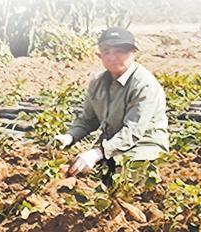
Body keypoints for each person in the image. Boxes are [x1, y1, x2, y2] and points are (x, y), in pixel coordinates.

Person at [54, 27, 169, 178]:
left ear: (133, 53)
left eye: (119, 51)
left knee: (117, 180)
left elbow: (133, 132)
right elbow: (89, 119)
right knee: (74, 172)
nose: (112, 57)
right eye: (106, 52)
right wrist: (69, 136)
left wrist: (97, 153)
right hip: (113, 145)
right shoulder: (98, 82)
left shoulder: (144, 85)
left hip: (144, 147)